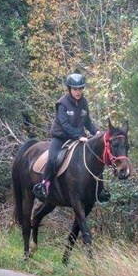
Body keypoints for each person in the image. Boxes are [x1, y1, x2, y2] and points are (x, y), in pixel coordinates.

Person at [33, 73, 108, 202]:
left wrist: (96, 132)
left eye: (80, 89)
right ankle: (44, 185)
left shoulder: (84, 102)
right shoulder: (62, 103)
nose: (78, 92)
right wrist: (78, 136)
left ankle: (100, 190)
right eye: (75, 89)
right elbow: (64, 124)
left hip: (79, 138)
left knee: (95, 158)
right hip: (61, 138)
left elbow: (88, 122)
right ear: (69, 89)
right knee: (52, 159)